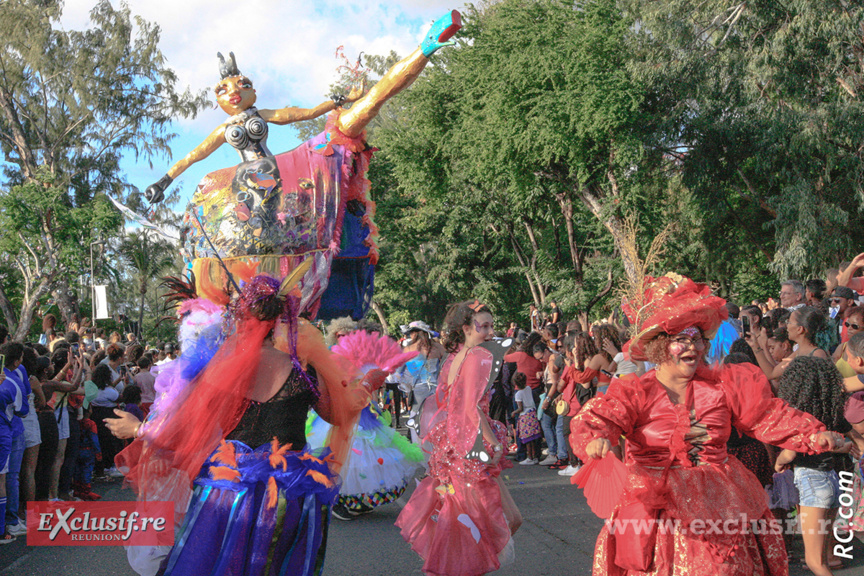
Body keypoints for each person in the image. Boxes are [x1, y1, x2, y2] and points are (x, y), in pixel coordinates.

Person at [572, 273, 842, 575]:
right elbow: (603, 416)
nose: (693, 346)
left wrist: (814, 435)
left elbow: (766, 416)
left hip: (719, 503)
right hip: (656, 510)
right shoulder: (636, 391)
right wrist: (596, 438)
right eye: (681, 340)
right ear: (661, 346)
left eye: (697, 338)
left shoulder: (724, 386)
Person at [397, 300, 521, 576]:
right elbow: (470, 406)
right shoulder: (475, 357)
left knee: (489, 521)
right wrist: (495, 443)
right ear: (466, 328)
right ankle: (461, 568)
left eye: (491, 326)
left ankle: (463, 566)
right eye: (483, 326)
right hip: (470, 447)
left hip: (459, 445)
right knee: (485, 522)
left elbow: (447, 403)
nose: (490, 332)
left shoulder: (456, 357)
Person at [774, 356, 851, 575]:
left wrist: (778, 463)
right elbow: (845, 438)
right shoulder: (831, 410)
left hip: (812, 482)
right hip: (832, 480)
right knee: (822, 558)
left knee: (815, 561)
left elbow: (790, 453)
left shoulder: (799, 417)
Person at [512, 372, 541, 465]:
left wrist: (514, 412)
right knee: (533, 438)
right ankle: (535, 456)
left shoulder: (518, 394)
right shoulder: (528, 388)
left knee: (527, 439)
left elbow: (520, 408)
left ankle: (529, 457)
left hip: (525, 416)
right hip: (532, 413)